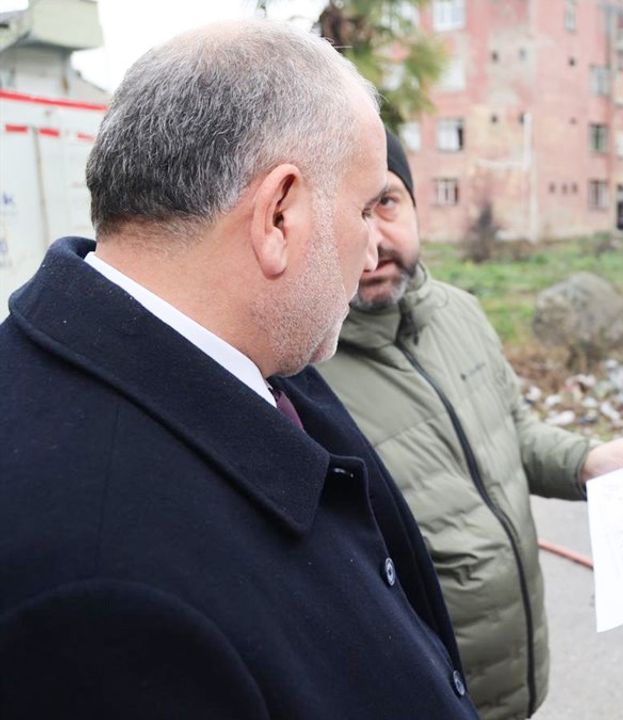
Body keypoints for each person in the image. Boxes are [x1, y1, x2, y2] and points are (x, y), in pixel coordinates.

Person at [0, 21, 478, 720]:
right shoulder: (103, 600)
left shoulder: (252, 349)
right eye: (363, 207)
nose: (374, 248)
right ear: (278, 216)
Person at [318, 130, 623, 719]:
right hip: (424, 693)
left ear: (416, 206)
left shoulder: (462, 313)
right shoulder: (302, 373)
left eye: (388, 202)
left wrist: (587, 461)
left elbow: (513, 433)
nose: (375, 240)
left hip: (517, 673)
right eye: (353, 211)